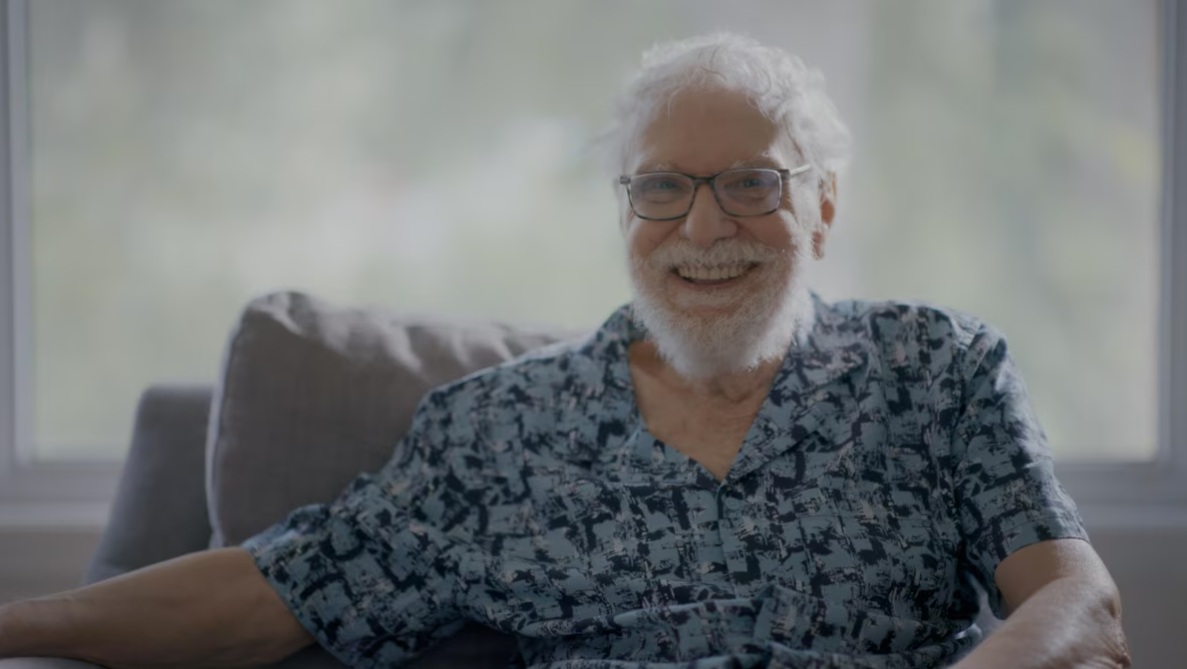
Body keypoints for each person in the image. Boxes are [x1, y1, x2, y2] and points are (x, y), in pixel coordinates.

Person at [0, 33, 1129, 669]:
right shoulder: (495, 431)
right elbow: (271, 589)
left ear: (822, 207)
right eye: (661, 188)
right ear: (623, 209)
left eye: (750, 183)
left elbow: (1078, 603)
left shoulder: (937, 369)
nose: (702, 228)